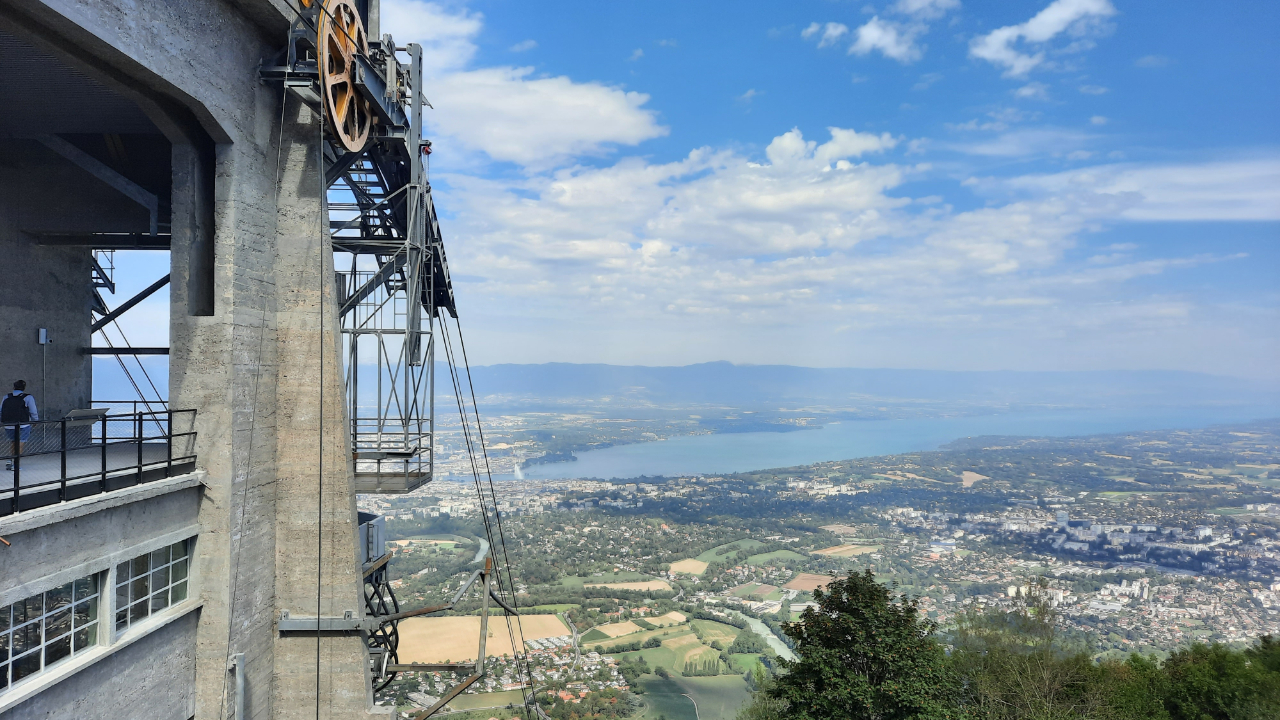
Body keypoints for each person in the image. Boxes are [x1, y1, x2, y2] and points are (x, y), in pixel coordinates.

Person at [2, 380, 39, 470]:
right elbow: (33, 411)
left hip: (8, 424)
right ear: (24, 388)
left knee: (13, 442)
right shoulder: (28, 397)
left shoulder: (6, 397)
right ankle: (16, 464)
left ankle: (10, 460)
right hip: (23, 425)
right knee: (20, 443)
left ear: (14, 387)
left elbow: (1, 410)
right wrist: (35, 421)